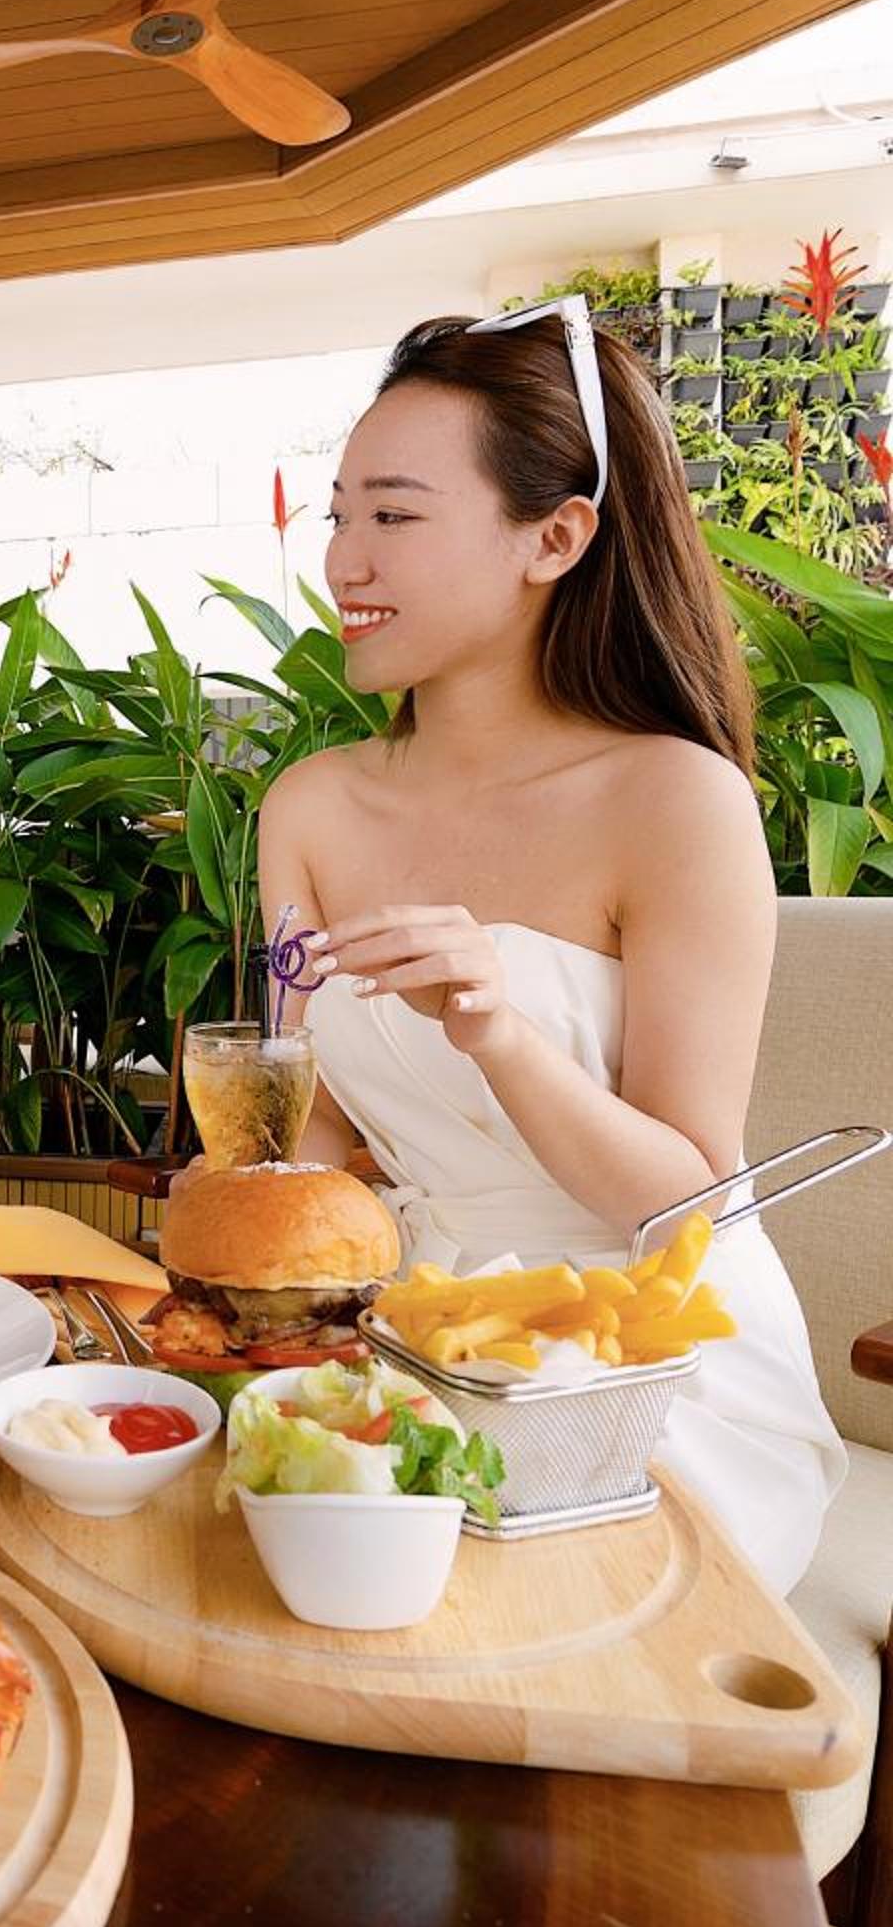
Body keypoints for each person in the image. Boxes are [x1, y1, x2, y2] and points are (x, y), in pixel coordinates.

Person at [259, 302, 844, 1593]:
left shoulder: (676, 803)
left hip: (641, 1358)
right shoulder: (311, 807)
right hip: (408, 1331)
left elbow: (685, 1198)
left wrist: (500, 1034)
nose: (345, 560)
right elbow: (309, 1133)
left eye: (393, 516)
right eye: (339, 515)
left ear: (556, 536)